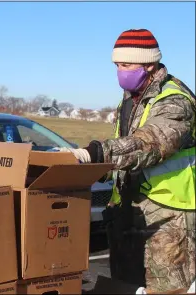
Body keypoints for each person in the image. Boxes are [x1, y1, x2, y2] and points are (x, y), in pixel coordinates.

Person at [57, 29, 195, 292]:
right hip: (128, 214)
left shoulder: (175, 100)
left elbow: (151, 143)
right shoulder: (129, 102)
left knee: (166, 290)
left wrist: (95, 153)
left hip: (166, 221)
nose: (120, 71)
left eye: (126, 65)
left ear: (149, 64)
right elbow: (124, 157)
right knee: (126, 288)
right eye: (117, 65)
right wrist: (96, 170)